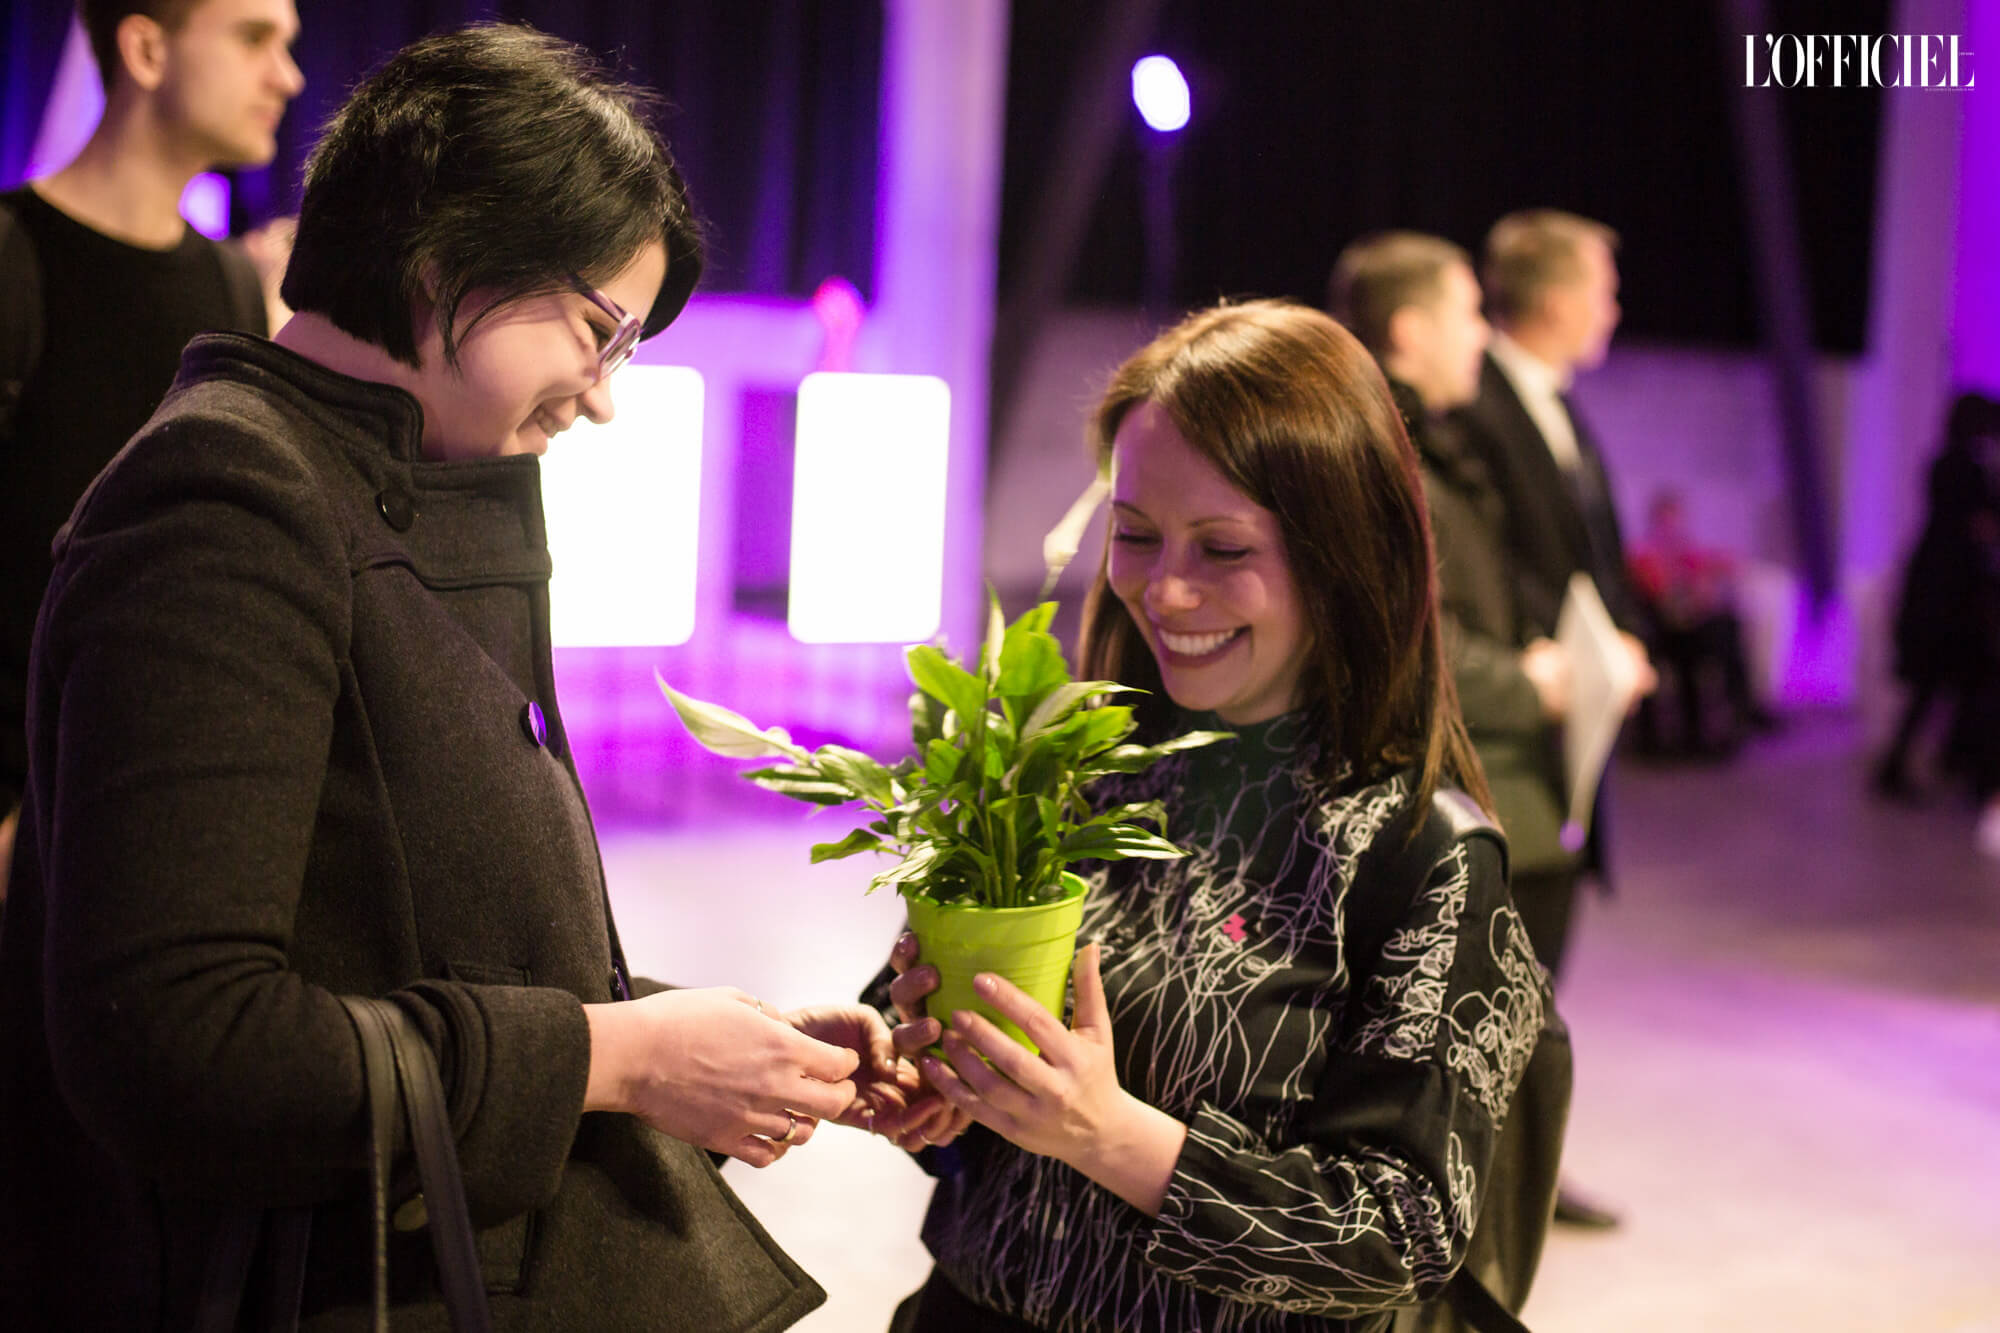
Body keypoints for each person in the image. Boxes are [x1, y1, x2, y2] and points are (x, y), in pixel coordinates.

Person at [0, 25, 931, 1330]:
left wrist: (715, 1044)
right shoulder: (226, 500)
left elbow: (402, 947)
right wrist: (615, 1056)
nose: (602, 398)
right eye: (599, 331)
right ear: (447, 267)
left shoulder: (362, 482)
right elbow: (177, 1040)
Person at [878, 300, 1552, 1332]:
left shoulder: (1421, 853)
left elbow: (1400, 1234)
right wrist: (922, 1058)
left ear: (1342, 554)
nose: (1167, 592)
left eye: (1223, 548)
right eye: (1136, 535)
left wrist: (1108, 1135)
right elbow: (943, 1052)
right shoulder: (1068, 765)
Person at [0, 0, 303, 901]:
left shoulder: (232, 290)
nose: (287, 76)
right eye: (252, 38)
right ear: (144, 49)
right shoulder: (14, 259)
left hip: (146, 834)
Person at [1446, 211, 1654, 1230]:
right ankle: (1483, 1185)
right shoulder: (1478, 403)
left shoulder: (1553, 403)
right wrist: (1569, 657)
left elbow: (1584, 557)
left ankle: (1522, 1171)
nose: (1612, 308)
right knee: (1498, 970)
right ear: (1560, 297)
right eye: (1603, 288)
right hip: (1514, 725)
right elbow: (1495, 571)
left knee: (1536, 972)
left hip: (1566, 717)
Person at [1331, 230, 1580, 1017]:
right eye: (1468, 314)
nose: (1482, 334)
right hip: (1459, 791)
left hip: (1482, 784)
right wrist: (1527, 682)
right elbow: (1412, 643)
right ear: (1411, 331)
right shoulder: (1384, 459)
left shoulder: (1430, 448)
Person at [1877, 390, 2000, 853]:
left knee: (1942, 686)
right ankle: (1951, 768)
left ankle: (1945, 763)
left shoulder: (1943, 463)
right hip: (1951, 598)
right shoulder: (1967, 469)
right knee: (1951, 684)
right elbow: (1981, 525)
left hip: (1936, 589)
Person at [1625, 488, 1779, 758]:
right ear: (1656, 524)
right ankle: (1738, 712)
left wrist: (1704, 587)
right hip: (1662, 636)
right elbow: (1659, 598)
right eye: (1667, 522)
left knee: (1726, 629)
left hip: (1691, 633)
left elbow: (1728, 565)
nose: (1673, 529)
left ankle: (1736, 716)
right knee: (1706, 646)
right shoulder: (1646, 557)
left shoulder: (1688, 554)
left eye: (1676, 522)